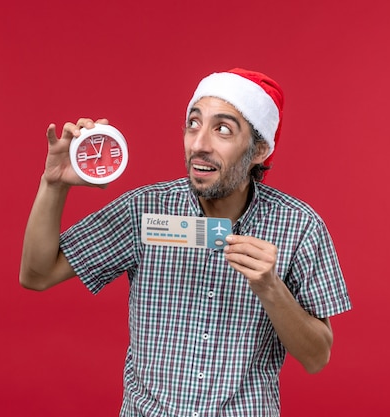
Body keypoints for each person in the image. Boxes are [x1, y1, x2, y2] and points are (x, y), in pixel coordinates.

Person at [20, 68, 351, 416]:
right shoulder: (145, 210)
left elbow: (317, 358)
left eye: (222, 129)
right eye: (194, 123)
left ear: (260, 150)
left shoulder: (299, 226)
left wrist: (270, 288)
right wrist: (54, 184)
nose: (199, 144)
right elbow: (37, 274)